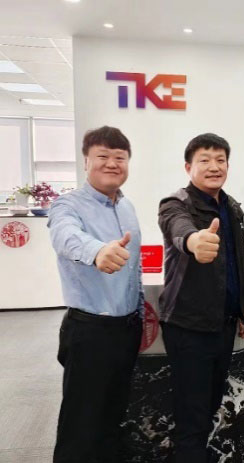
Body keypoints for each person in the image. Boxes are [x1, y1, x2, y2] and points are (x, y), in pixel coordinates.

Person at [48, 126, 144, 463]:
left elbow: (134, 269)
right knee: (81, 423)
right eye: (103, 156)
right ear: (86, 161)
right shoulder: (67, 204)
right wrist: (97, 251)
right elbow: (65, 236)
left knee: (113, 416)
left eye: (120, 157)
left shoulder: (127, 206)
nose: (112, 163)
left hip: (126, 329)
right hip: (90, 330)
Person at [157, 133, 244, 462]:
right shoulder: (176, 203)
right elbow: (179, 228)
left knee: (210, 401)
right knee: (192, 409)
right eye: (205, 160)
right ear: (188, 167)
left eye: (220, 160)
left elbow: (241, 261)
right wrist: (194, 241)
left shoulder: (232, 207)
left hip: (222, 324)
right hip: (188, 324)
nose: (214, 166)